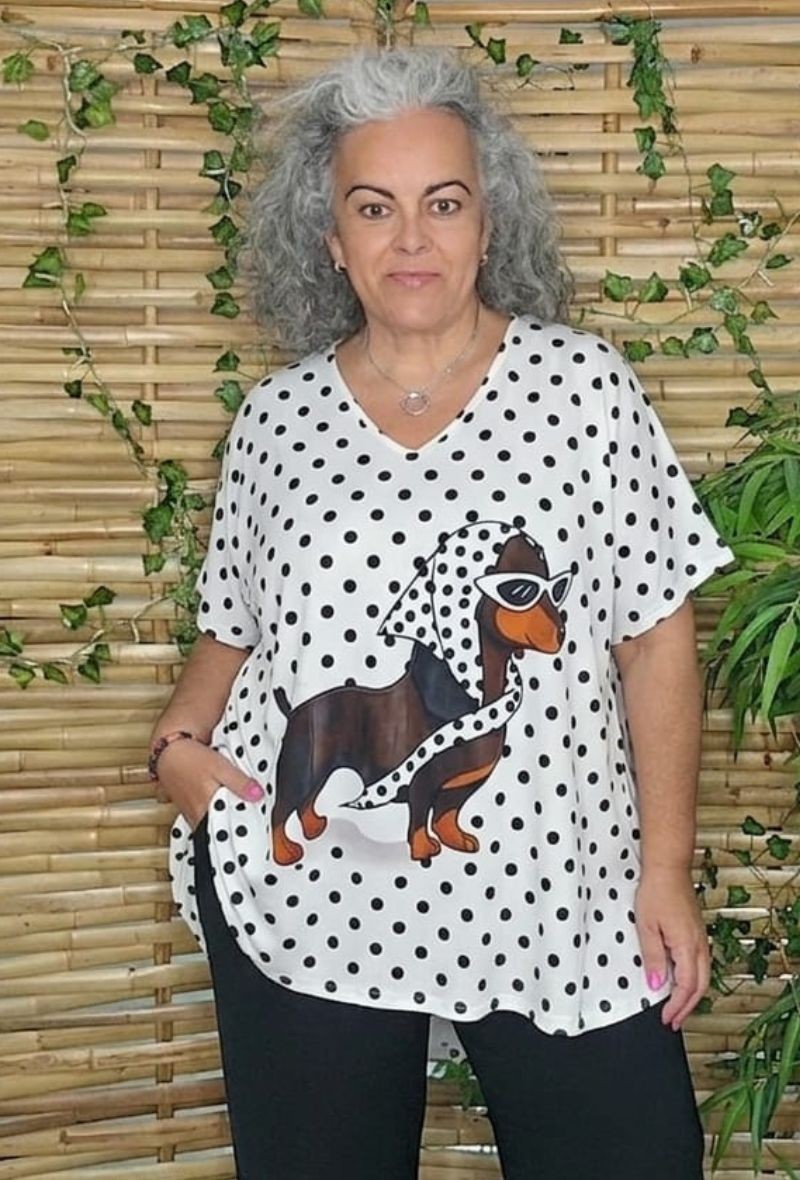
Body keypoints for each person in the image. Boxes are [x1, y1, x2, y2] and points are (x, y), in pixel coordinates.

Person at [151, 47, 735, 1180]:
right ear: (330, 237)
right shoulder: (276, 421)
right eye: (374, 208)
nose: (410, 238)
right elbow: (233, 626)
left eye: (444, 203)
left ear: (487, 221)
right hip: (313, 891)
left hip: (555, 885)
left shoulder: (582, 391)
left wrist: (663, 867)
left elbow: (656, 631)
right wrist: (175, 747)